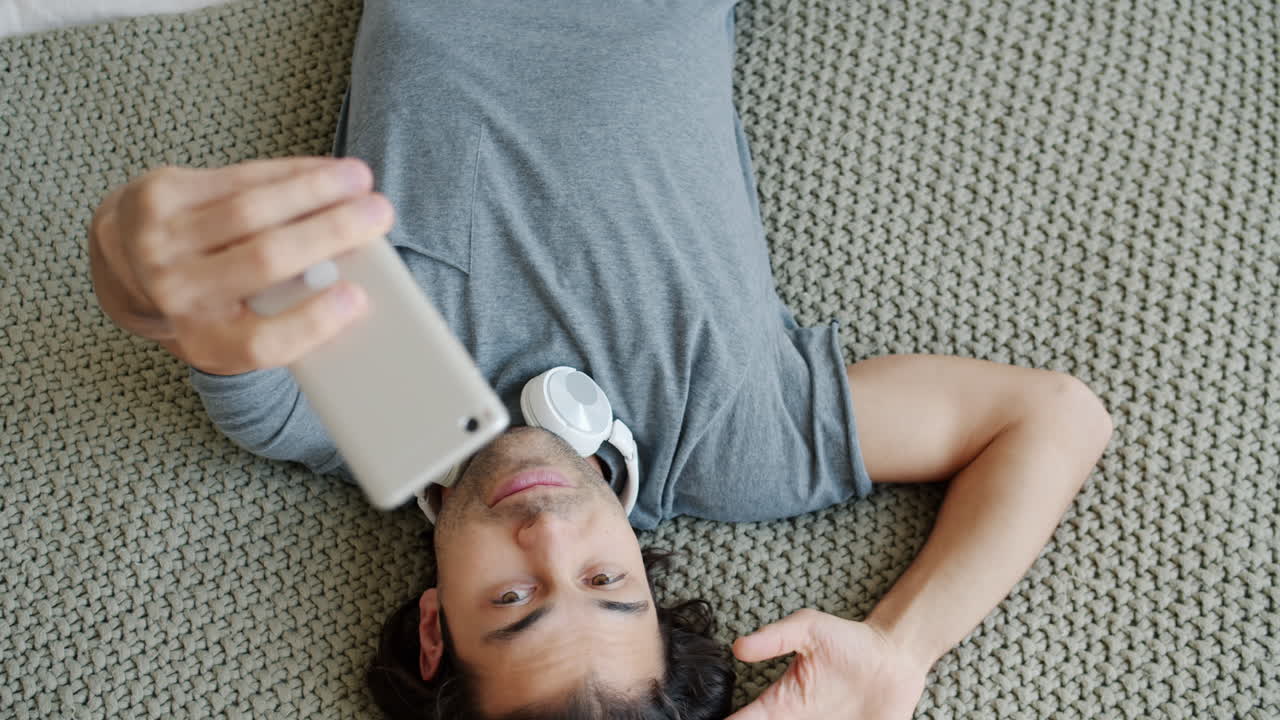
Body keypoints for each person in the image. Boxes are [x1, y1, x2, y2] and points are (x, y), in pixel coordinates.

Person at [88, 1, 1114, 719]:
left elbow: (168, 295)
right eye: (604, 584)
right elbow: (1055, 418)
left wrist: (134, 256)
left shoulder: (345, 400)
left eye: (515, 602)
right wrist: (901, 648)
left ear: (435, 631)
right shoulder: (731, 444)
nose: (548, 528)